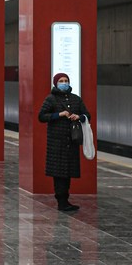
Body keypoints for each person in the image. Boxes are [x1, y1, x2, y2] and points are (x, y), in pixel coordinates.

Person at [38, 73, 91, 212]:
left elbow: (87, 115)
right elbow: (41, 116)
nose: (64, 83)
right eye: (61, 81)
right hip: (56, 143)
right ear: (56, 83)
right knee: (59, 173)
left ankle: (65, 200)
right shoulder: (51, 99)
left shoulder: (76, 99)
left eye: (66, 80)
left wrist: (79, 117)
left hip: (72, 141)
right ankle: (61, 201)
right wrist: (59, 115)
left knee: (68, 173)